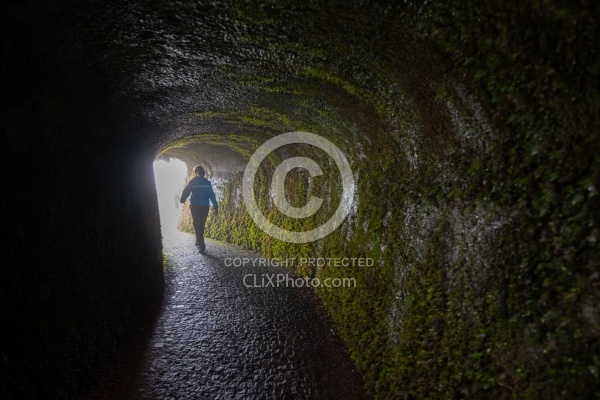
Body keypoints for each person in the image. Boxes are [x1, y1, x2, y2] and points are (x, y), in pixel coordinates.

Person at [180, 165, 218, 253]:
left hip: (195, 206)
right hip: (205, 206)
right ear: (203, 173)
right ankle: (199, 240)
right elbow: (212, 195)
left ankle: (201, 245)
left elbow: (186, 191)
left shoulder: (193, 182)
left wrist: (182, 199)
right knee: (201, 223)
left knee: (197, 224)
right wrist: (215, 207)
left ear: (196, 173)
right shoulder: (207, 183)